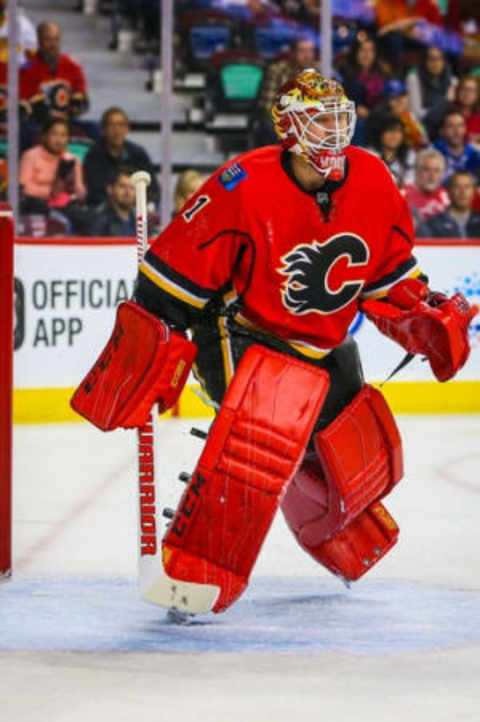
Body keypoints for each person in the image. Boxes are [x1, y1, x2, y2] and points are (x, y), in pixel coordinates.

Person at [71, 70, 476, 617]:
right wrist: (152, 345)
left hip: (324, 340)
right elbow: (170, 278)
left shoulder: (375, 178)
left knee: (354, 451)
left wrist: (421, 314)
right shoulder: (243, 183)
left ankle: (332, 535)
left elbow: (387, 276)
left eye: (340, 118)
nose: (334, 133)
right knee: (256, 449)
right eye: (320, 120)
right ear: (289, 128)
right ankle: (196, 573)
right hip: (243, 333)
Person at [83, 107, 160, 208]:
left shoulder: (138, 153)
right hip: (106, 211)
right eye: (111, 125)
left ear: (127, 129)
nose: (117, 130)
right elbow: (95, 193)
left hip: (136, 209)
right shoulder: (94, 155)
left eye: (121, 125)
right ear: (103, 130)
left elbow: (153, 190)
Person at [21, 21, 89, 125]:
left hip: (67, 120)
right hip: (39, 123)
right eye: (48, 40)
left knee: (94, 128)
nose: (53, 44)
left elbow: (82, 99)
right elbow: (34, 105)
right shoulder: (28, 67)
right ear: (39, 41)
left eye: (56, 39)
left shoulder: (72, 65)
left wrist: (74, 109)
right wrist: (56, 118)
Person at [19, 117, 85, 215]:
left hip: (65, 207)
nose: (59, 139)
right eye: (54, 134)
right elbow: (24, 188)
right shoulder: (30, 156)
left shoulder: (72, 160)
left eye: (63, 135)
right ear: (44, 136)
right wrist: (51, 192)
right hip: (36, 205)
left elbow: (81, 193)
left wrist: (73, 185)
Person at [416, 170, 480, 238]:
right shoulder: (433, 223)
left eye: (467, 187)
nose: (462, 191)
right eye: (457, 186)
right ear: (448, 191)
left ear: (473, 191)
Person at [402, 148, 449, 225]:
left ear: (442, 174)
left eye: (436, 171)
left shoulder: (447, 198)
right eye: (426, 169)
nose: (432, 175)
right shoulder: (403, 195)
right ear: (416, 171)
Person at [367, 115, 416, 187]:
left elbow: (410, 184)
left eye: (398, 131)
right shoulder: (369, 155)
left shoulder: (409, 156)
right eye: (390, 130)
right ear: (381, 134)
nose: (394, 135)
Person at [433, 109, 480, 181]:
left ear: (465, 129)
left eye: (460, 125)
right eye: (451, 126)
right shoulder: (432, 153)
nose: (456, 130)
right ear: (442, 131)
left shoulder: (475, 153)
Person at [89, 168, 136, 237]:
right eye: (122, 186)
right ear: (110, 189)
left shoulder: (140, 219)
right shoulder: (99, 219)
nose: (128, 192)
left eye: (132, 187)